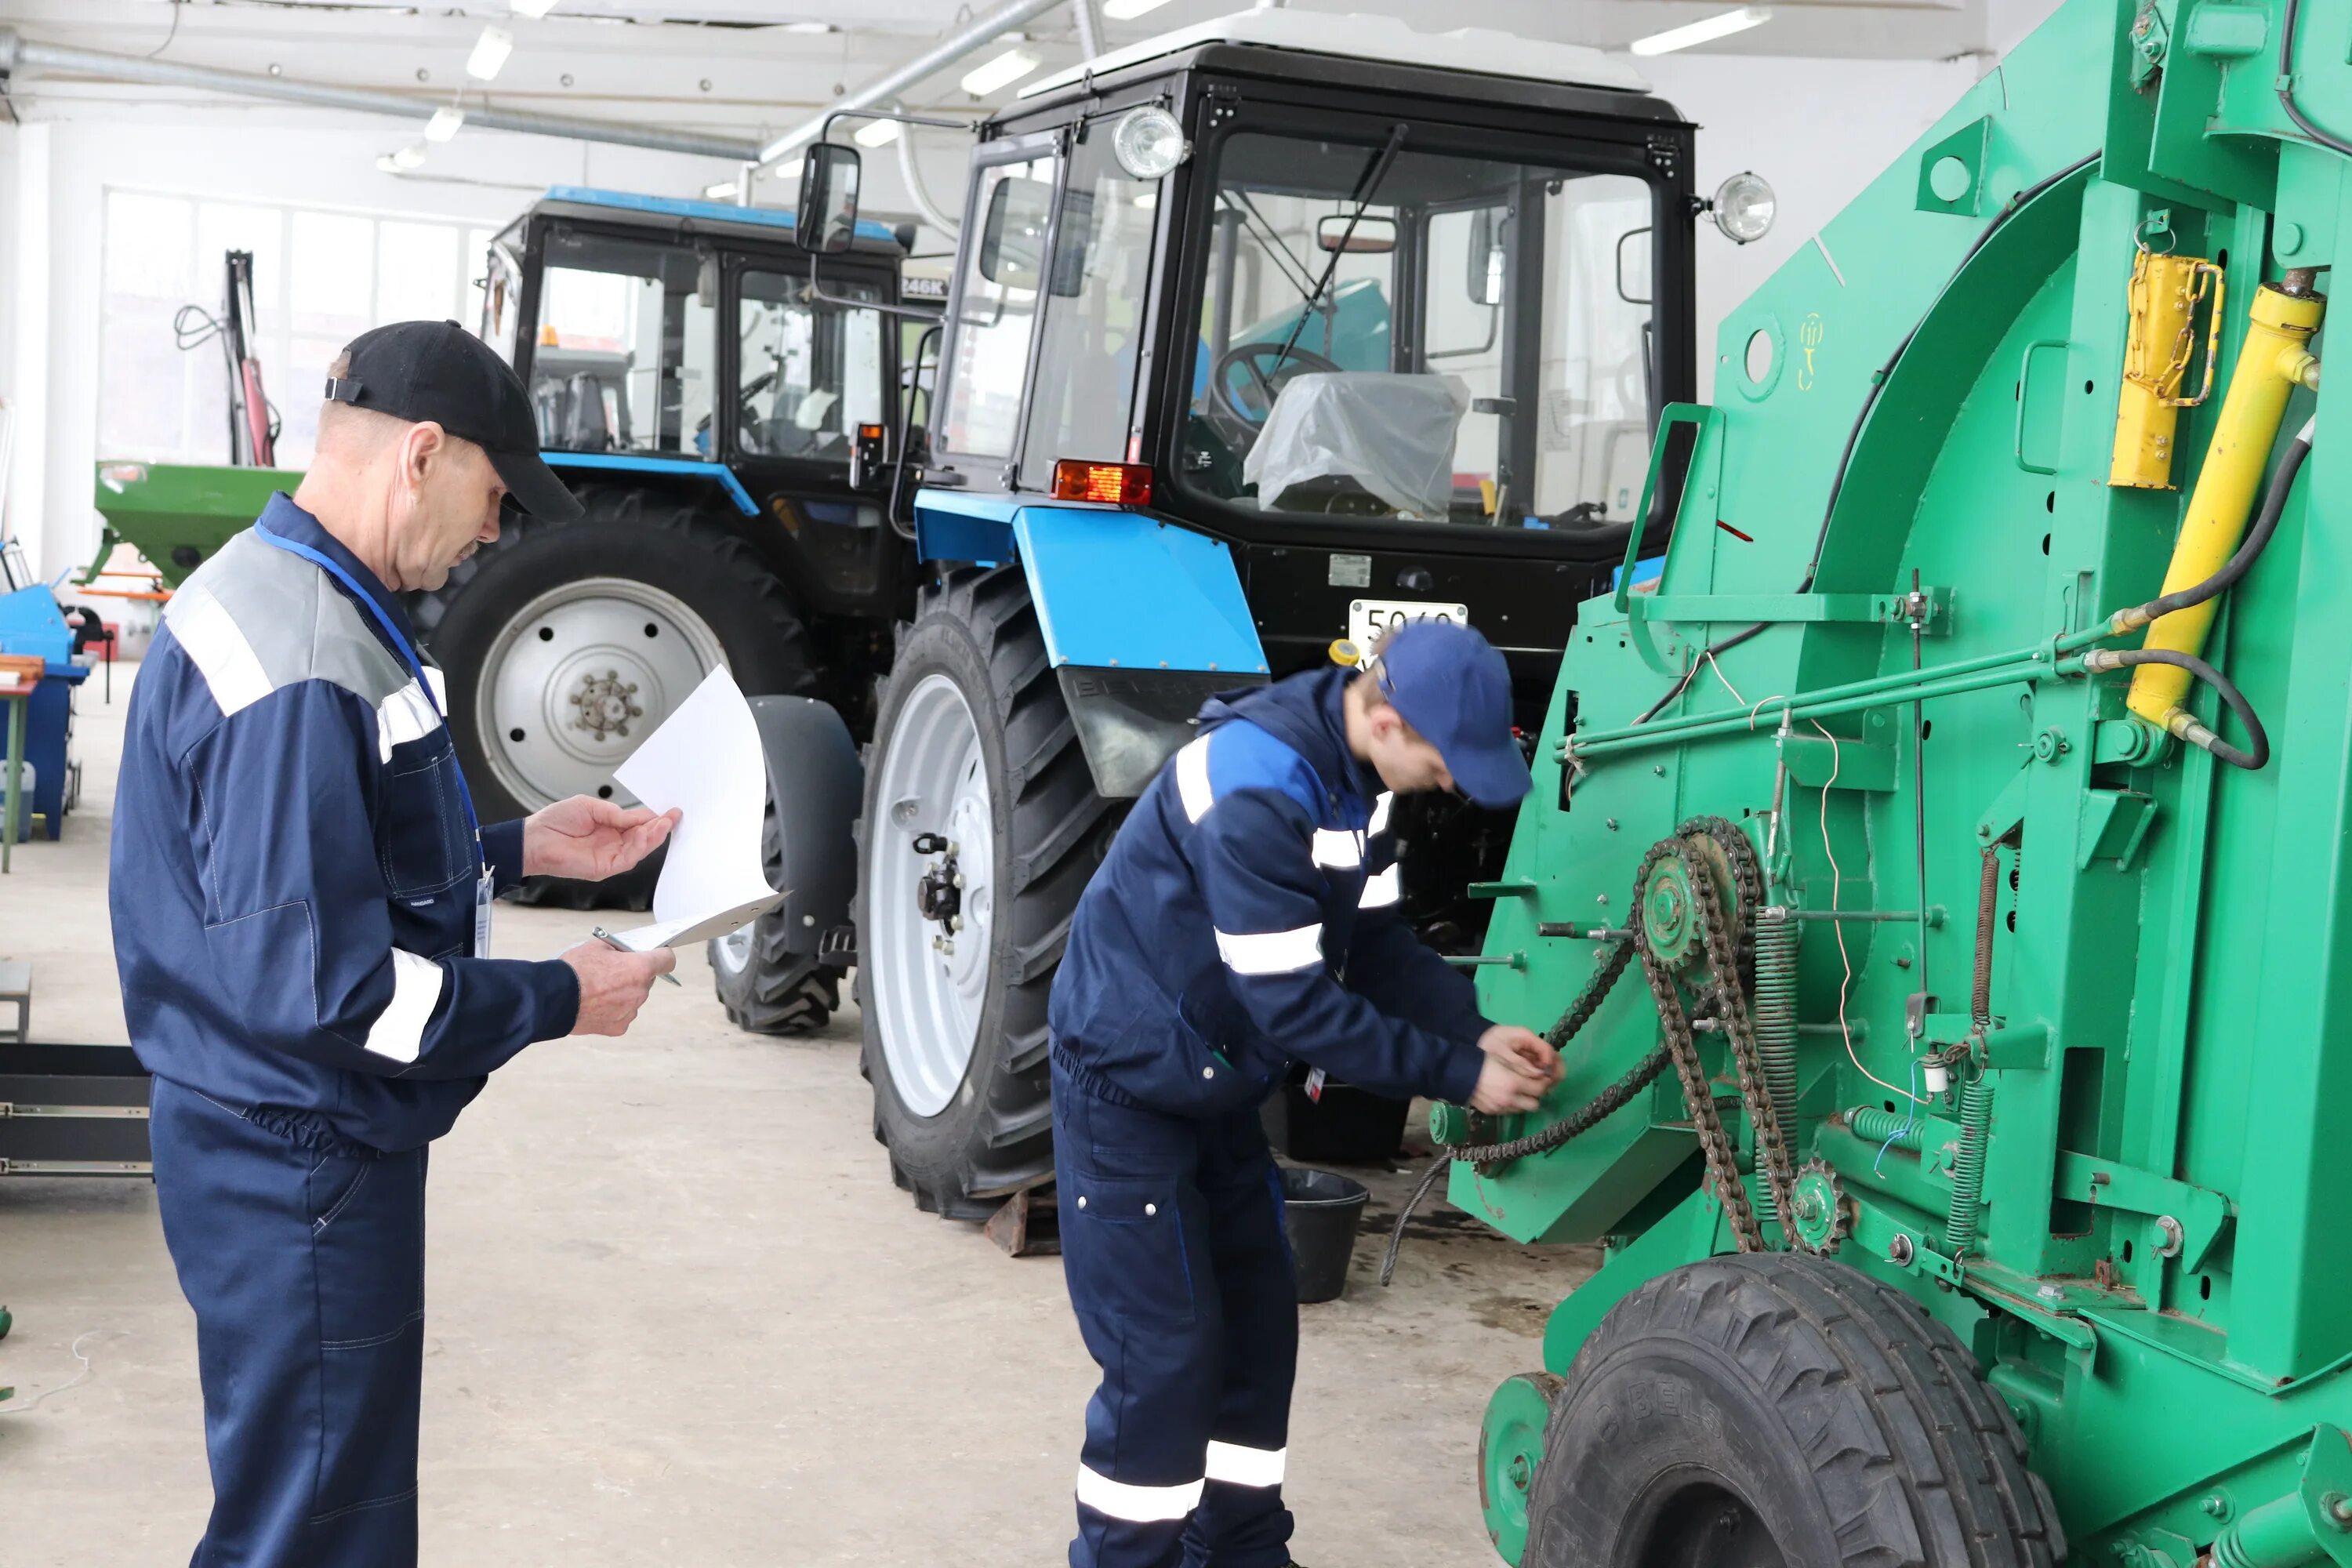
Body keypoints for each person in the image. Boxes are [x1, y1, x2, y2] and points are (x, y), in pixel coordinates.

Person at [109, 320, 680, 1568]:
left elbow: (312, 876)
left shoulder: (288, 597)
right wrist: (559, 996)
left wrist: (517, 848)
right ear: (423, 455)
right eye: (494, 494)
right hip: (296, 1161)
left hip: (271, 1141)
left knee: (310, 1507)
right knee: (310, 1532)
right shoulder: (308, 661)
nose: (495, 531)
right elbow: (334, 991)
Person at [1044, 619, 1566, 1568]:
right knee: (1163, 1356)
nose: (1449, 785)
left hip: (1212, 1079)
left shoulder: (1358, 782)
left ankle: (1241, 1550)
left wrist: (1472, 1028)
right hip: (1129, 1088)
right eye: (1445, 764)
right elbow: (1293, 1006)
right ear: (1390, 720)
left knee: (1256, 1330)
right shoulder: (1256, 786)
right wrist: (1461, 1076)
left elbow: (1374, 945)